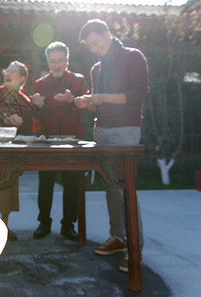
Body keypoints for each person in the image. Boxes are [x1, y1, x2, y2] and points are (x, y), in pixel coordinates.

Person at [75, 18, 148, 272]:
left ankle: (134, 248)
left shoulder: (133, 56)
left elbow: (139, 94)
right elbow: (99, 102)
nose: (94, 48)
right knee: (109, 185)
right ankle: (117, 236)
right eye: (90, 46)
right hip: (102, 129)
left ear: (106, 33)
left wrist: (102, 98)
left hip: (125, 130)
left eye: (96, 42)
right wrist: (88, 103)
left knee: (124, 187)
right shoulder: (97, 68)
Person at [30, 41, 89, 241]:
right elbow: (34, 115)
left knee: (71, 183)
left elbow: (88, 109)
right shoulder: (39, 83)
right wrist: (36, 106)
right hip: (47, 140)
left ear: (67, 60)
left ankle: (68, 225)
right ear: (48, 62)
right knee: (45, 182)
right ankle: (43, 222)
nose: (56, 65)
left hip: (73, 139)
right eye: (52, 61)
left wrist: (72, 100)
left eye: (60, 61)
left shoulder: (78, 80)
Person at [0, 60, 34, 240]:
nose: (8, 72)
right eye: (8, 69)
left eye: (13, 71)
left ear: (22, 78)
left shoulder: (25, 100)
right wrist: (4, 120)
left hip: (11, 152)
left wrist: (22, 123)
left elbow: (29, 127)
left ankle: (5, 226)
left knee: (9, 188)